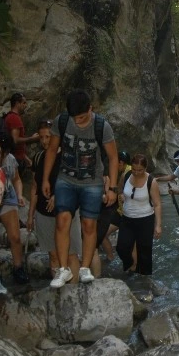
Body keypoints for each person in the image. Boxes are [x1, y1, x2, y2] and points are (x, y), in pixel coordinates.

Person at [42, 89, 119, 288]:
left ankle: (84, 268)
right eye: (75, 118)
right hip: (65, 179)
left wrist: (112, 188)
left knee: (89, 225)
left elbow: (112, 157)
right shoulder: (62, 121)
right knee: (62, 221)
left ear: (90, 109)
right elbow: (51, 150)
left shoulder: (102, 126)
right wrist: (45, 180)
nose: (78, 122)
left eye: (83, 117)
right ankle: (63, 269)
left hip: (92, 182)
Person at [27, 120, 81, 282]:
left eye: (48, 137)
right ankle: (61, 291)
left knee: (71, 253)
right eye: (41, 137)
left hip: (66, 211)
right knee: (53, 254)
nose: (44, 141)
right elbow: (35, 187)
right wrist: (30, 215)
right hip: (43, 213)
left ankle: (73, 291)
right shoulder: (38, 158)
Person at [0, 133, 31, 286]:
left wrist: (20, 195)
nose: (2, 154)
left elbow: (17, 179)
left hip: (7, 196)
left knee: (15, 236)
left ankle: (18, 267)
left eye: (5, 151)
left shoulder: (10, 160)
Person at [116, 154, 162, 274]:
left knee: (145, 252)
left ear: (145, 168)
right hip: (127, 219)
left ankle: (145, 279)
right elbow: (119, 188)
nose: (136, 172)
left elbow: (157, 204)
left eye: (140, 170)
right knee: (121, 248)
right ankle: (131, 264)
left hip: (145, 220)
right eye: (134, 170)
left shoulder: (151, 181)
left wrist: (158, 225)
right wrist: (120, 194)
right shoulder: (126, 175)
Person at [101, 150, 131, 261]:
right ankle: (111, 257)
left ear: (121, 163)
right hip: (121, 212)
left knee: (102, 234)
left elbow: (120, 191)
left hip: (125, 214)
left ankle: (110, 257)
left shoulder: (126, 174)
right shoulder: (129, 171)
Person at [4, 92, 40, 175]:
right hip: (15, 160)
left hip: (17, 158)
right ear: (17, 103)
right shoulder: (14, 118)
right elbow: (15, 140)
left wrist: (26, 159)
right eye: (24, 103)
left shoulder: (11, 116)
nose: (26, 105)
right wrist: (32, 139)